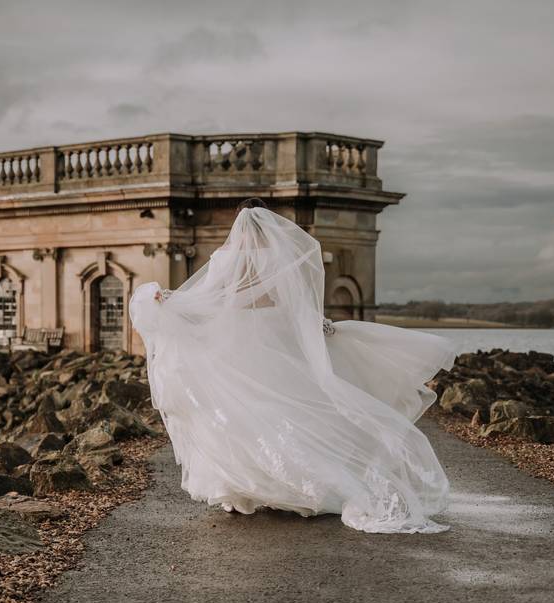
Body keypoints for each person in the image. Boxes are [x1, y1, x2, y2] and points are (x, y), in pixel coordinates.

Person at [128, 200, 457, 533]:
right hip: (278, 339)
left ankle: (249, 487)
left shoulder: (224, 259)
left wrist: (170, 302)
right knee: (291, 407)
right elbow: (296, 305)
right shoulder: (282, 257)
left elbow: (211, 302)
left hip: (238, 342)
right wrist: (319, 326)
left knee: (241, 414)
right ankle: (302, 486)